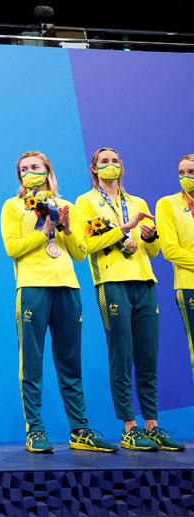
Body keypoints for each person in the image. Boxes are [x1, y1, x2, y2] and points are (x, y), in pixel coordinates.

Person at [0, 151, 117, 453]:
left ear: (47, 170)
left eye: (35, 167)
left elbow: (79, 252)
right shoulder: (12, 207)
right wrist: (45, 230)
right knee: (32, 362)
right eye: (23, 169)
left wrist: (64, 227)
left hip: (67, 287)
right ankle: (35, 431)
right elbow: (13, 248)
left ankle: (79, 429)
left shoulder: (69, 206)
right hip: (32, 288)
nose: (29, 172)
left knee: (70, 361)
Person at [73, 147, 183, 451]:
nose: (112, 165)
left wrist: (149, 237)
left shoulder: (137, 202)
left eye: (116, 161)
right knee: (121, 355)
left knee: (148, 358)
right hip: (111, 282)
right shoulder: (87, 202)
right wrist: (124, 228)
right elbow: (86, 245)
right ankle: (129, 427)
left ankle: (153, 424)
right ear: (94, 169)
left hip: (145, 281)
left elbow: (153, 251)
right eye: (104, 162)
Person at [154, 153, 194, 451]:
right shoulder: (168, 204)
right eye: (181, 171)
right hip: (189, 287)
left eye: (190, 171)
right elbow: (169, 249)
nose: (185, 176)